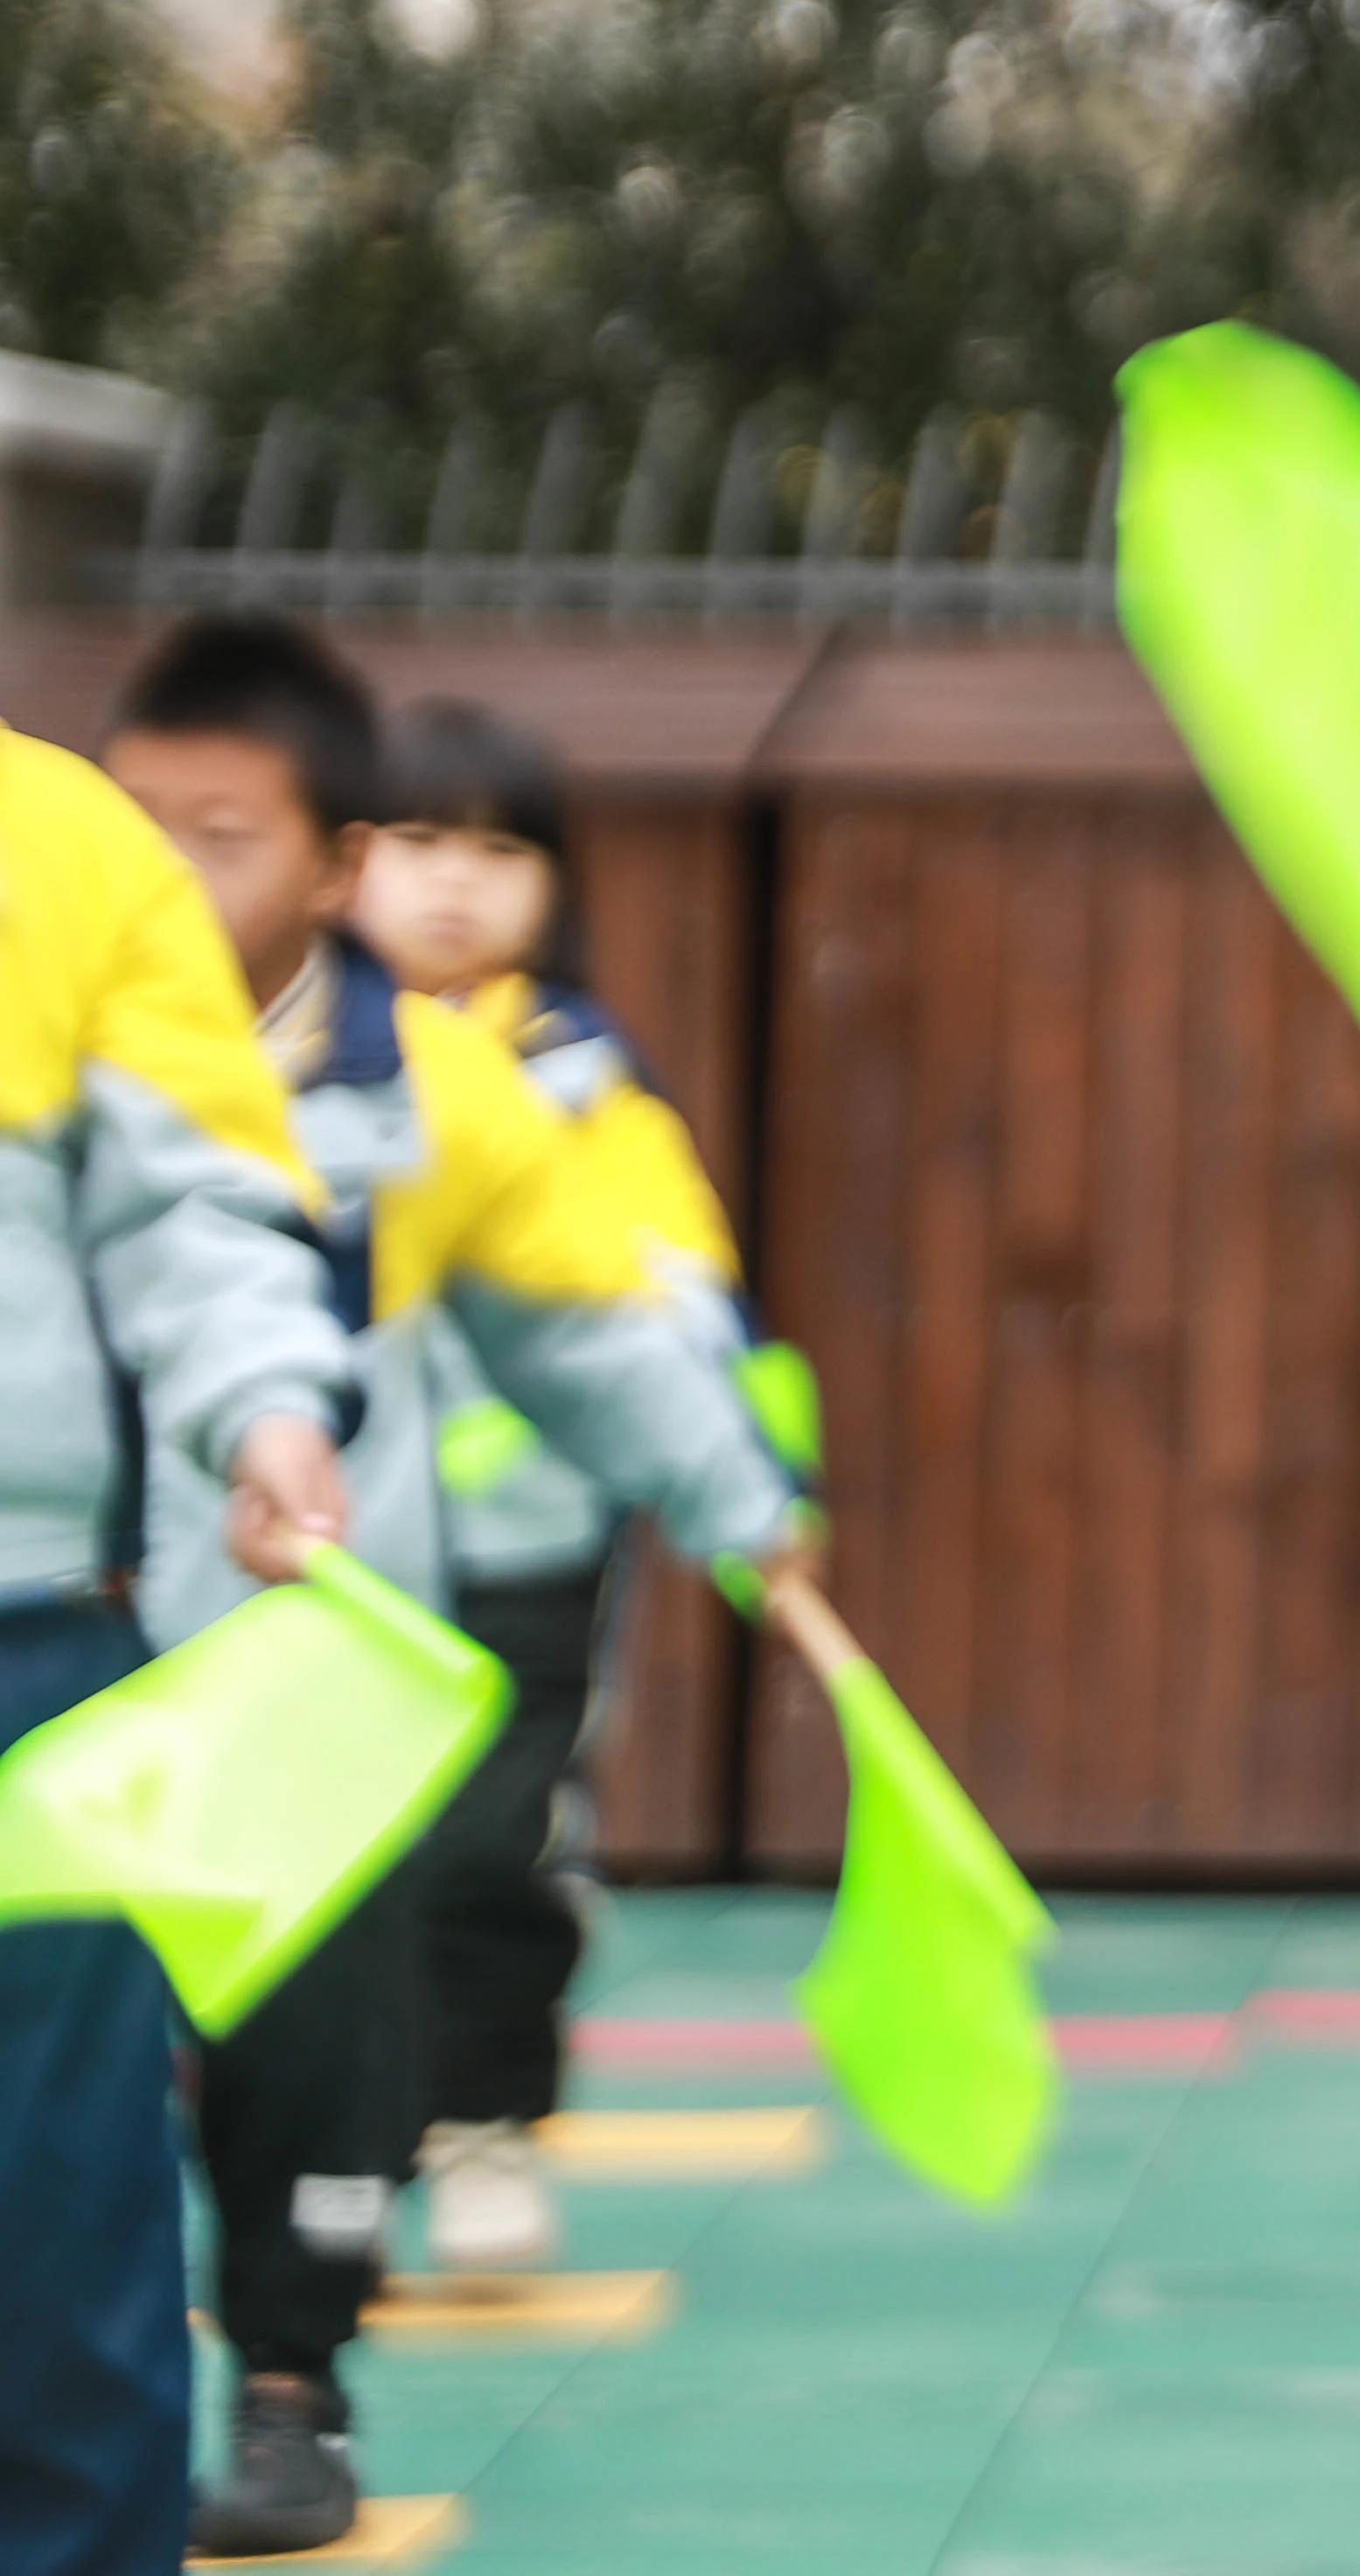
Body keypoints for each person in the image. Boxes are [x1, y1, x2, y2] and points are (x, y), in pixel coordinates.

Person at [100, 617, 809, 2560]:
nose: (165, 868)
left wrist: (739, 1488)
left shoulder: (434, 1085)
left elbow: (586, 1324)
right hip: (78, 1644)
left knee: (318, 2023)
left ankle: (289, 2382)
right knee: (72, 2036)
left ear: (332, 862)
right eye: (134, 820)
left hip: (316, 1655)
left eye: (221, 829)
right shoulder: (58, 1036)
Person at [348, 697, 806, 2282]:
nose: (452, 883)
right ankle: (338, 2151)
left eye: (497, 847)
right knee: (334, 1850)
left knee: (494, 1843)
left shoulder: (587, 1088)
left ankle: (479, 2129)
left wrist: (748, 1484)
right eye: (415, 840)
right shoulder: (272, 1064)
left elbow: (680, 1305)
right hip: (324, 1552)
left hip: (532, 1543)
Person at [0, 714, 362, 2576]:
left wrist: (271, 1405)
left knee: (56, 2204)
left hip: (23, 1641)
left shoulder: (57, 840)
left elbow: (200, 1202)